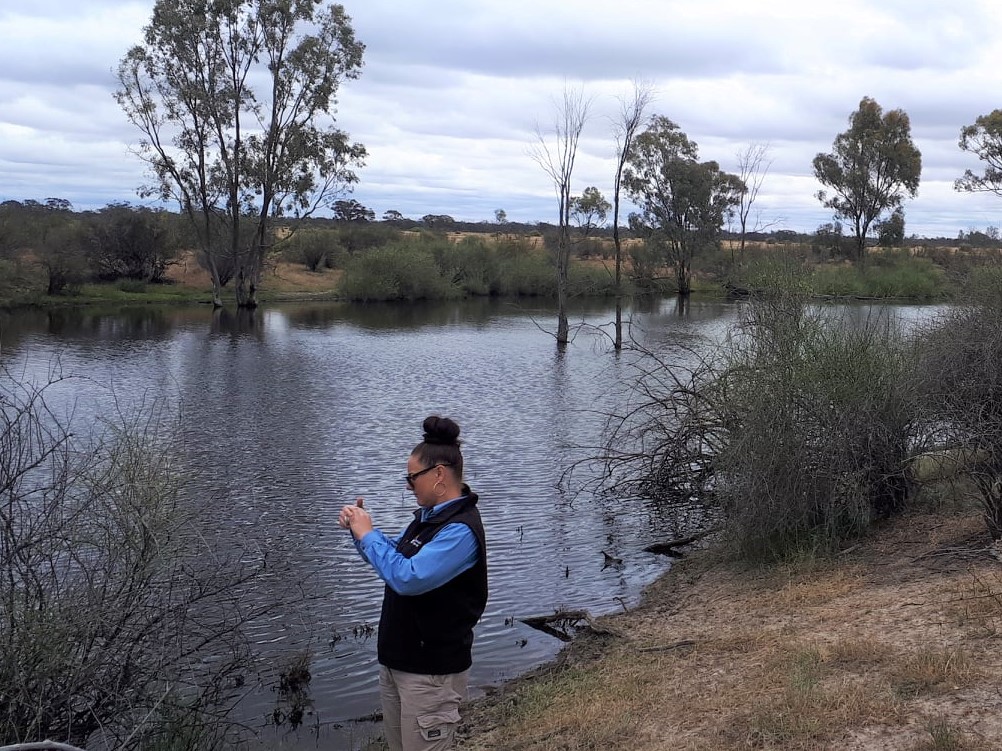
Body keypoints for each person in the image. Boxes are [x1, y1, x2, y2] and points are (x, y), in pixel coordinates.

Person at [338, 415, 488, 751]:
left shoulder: (460, 530)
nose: (408, 486)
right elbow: (397, 557)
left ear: (438, 475)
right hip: (399, 664)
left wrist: (369, 536)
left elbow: (408, 577)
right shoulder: (429, 520)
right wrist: (361, 534)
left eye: (411, 478)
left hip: (430, 675)